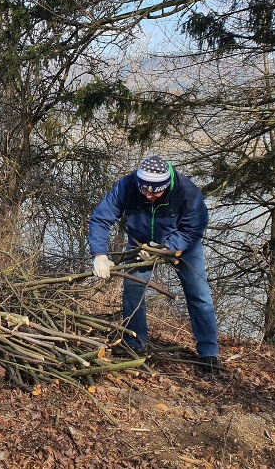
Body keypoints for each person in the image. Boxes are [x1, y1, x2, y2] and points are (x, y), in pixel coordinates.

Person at [88, 155, 220, 373]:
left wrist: (165, 248)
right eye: (145, 191)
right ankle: (135, 343)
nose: (148, 195)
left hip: (183, 244)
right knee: (133, 289)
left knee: (199, 293)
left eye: (155, 192)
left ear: (166, 187)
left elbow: (193, 230)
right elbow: (101, 218)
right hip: (140, 243)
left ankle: (209, 352)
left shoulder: (188, 193)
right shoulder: (127, 186)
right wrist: (99, 254)